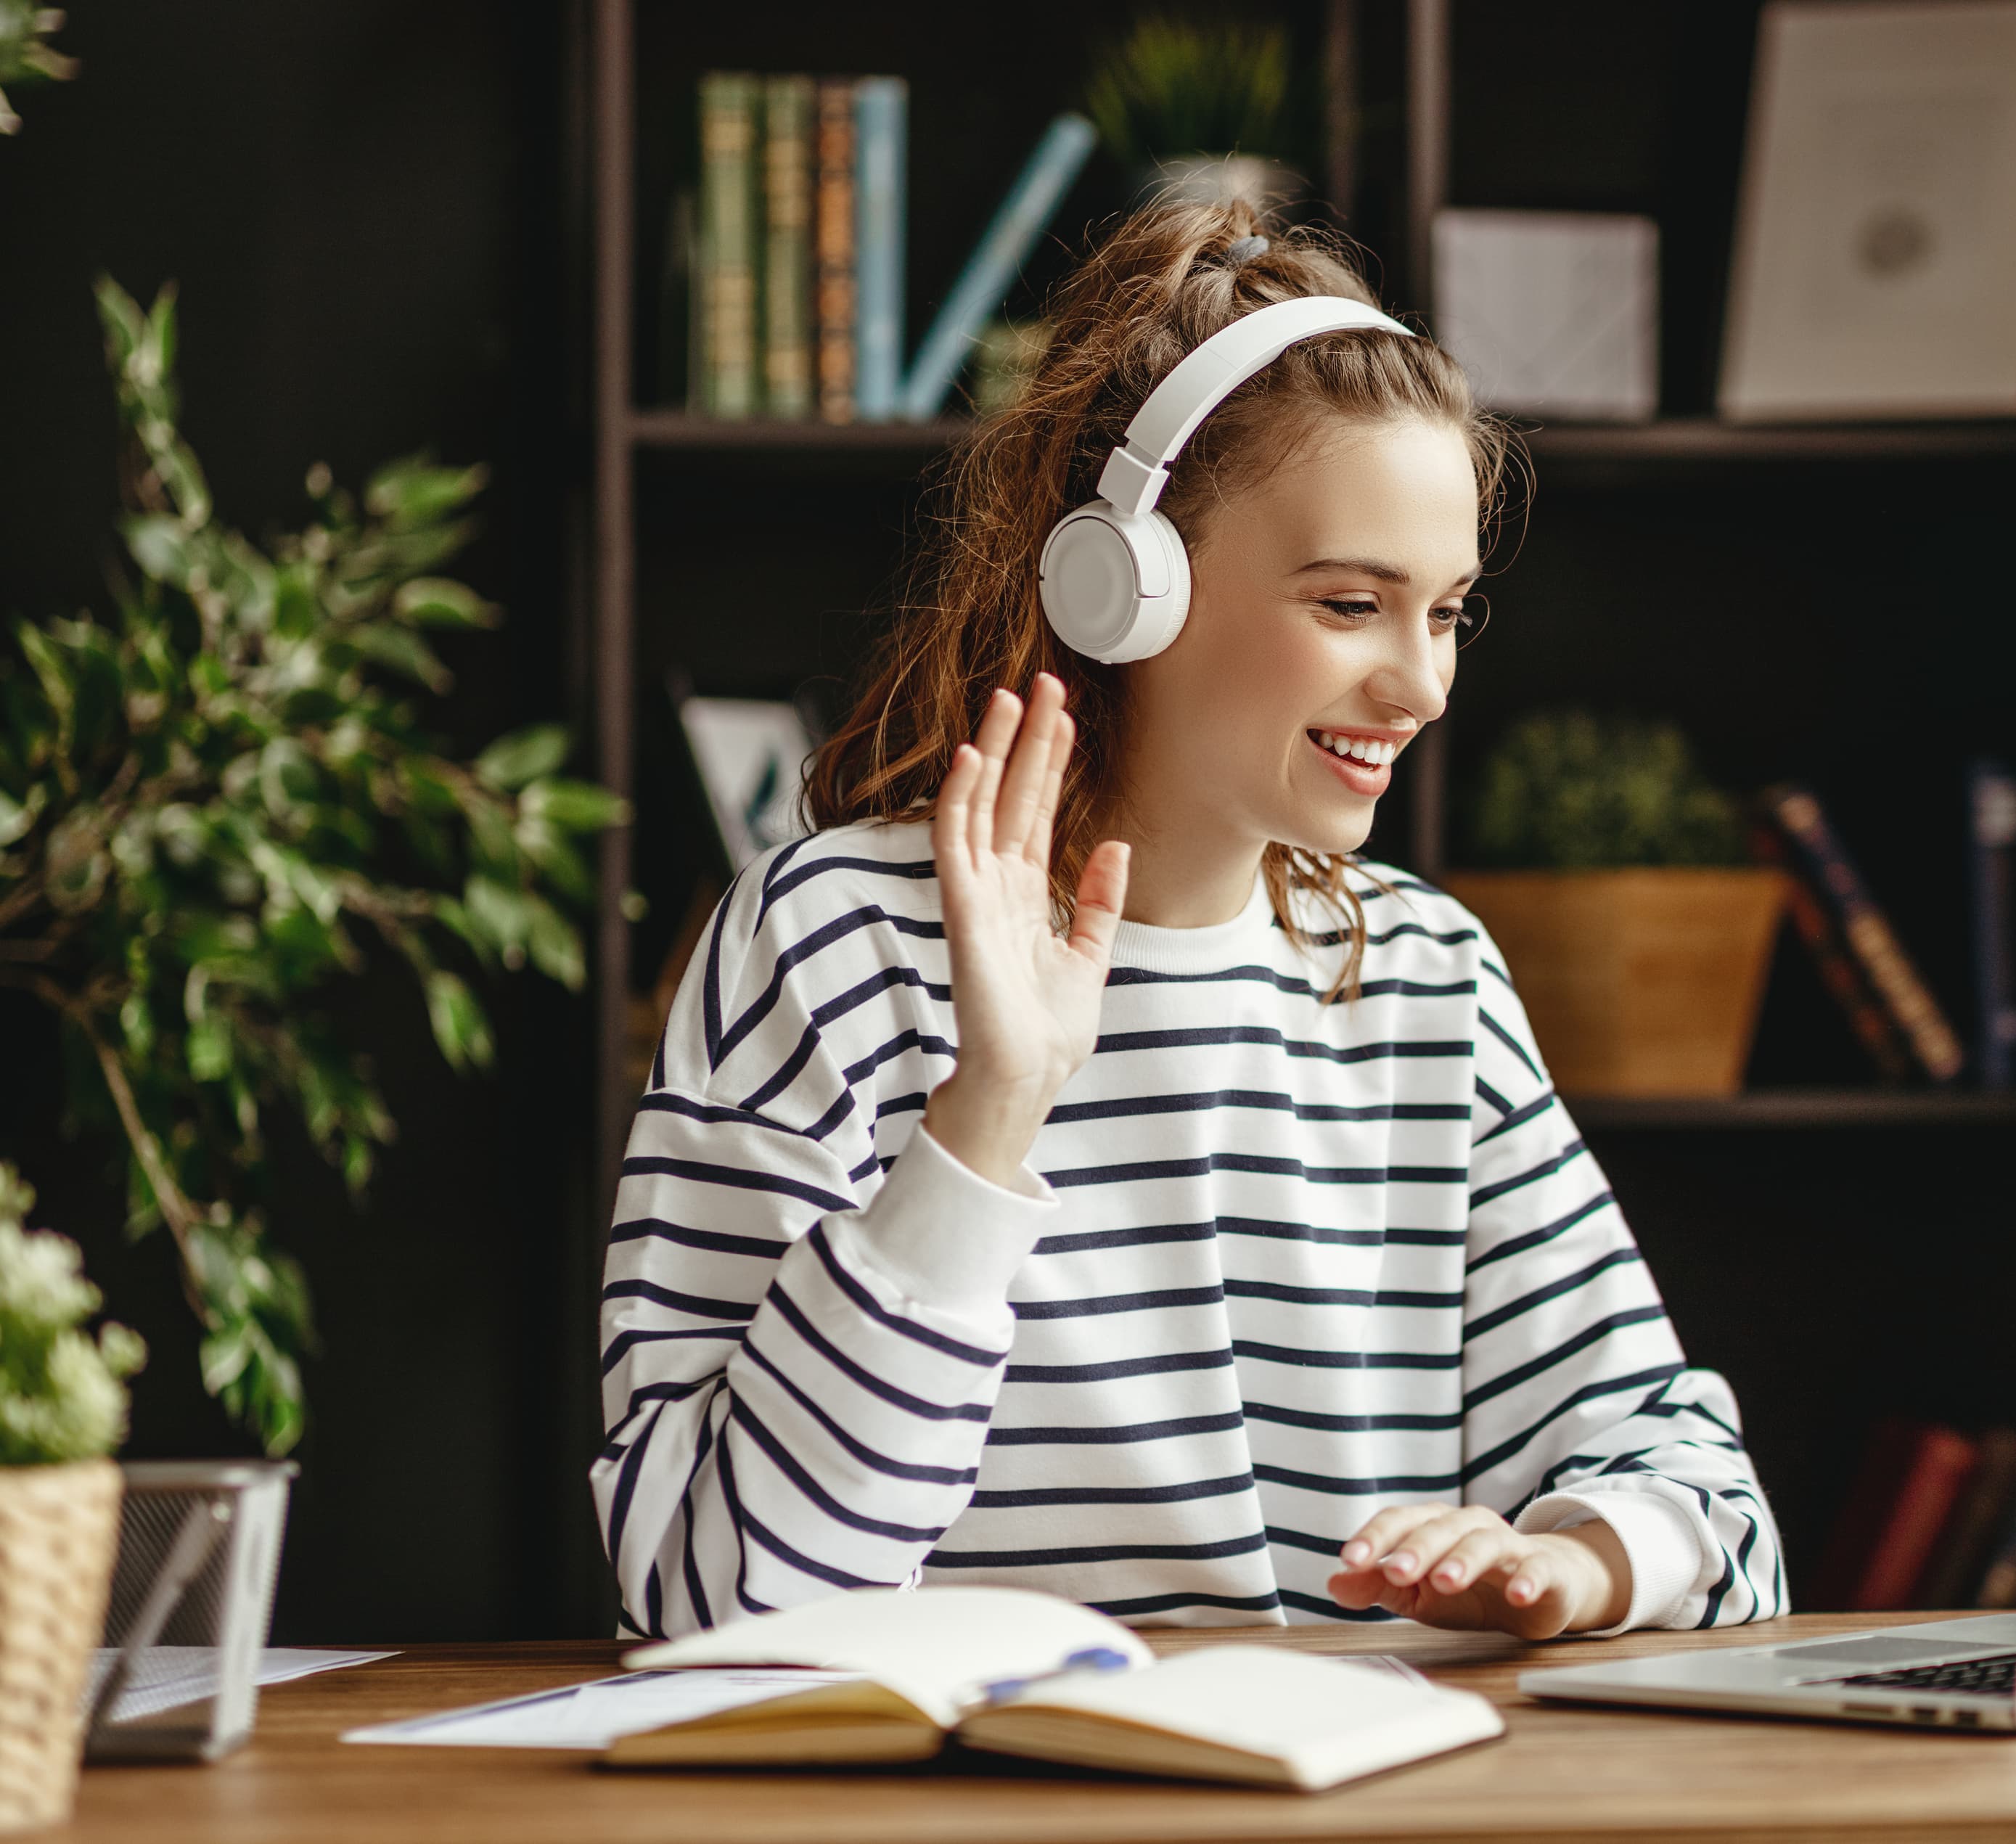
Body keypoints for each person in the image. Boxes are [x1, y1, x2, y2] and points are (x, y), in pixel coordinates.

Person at [593, 200, 1785, 1641]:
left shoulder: (1424, 982)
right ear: (1126, 586)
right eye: (1353, 602)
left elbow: (1706, 1496)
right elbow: (709, 1594)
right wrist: (987, 1120)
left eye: (1449, 612)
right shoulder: (820, 944)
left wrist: (1572, 1560)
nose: (1424, 687)